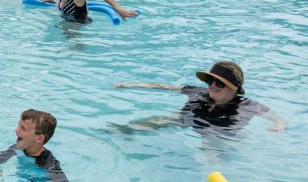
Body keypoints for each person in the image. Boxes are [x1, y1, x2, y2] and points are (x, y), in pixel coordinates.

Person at [114, 61, 288, 136]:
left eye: (220, 83)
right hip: (189, 119)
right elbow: (163, 86)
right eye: (211, 81)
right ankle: (121, 131)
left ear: (233, 89)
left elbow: (276, 117)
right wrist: (129, 84)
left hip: (217, 132)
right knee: (163, 119)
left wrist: (278, 127)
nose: (212, 85)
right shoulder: (198, 92)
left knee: (209, 154)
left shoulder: (246, 105)